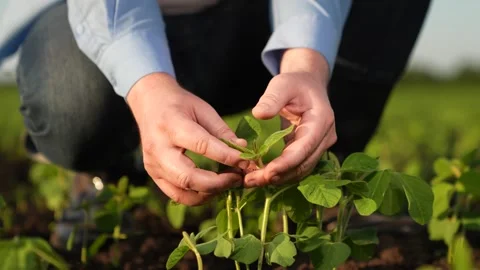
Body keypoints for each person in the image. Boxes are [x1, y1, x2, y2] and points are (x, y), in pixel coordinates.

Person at [0, 0, 431, 246]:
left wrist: (306, 63)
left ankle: (325, 176)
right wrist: (147, 88)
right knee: (69, 97)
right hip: (140, 15)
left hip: (262, 16)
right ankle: (99, 177)